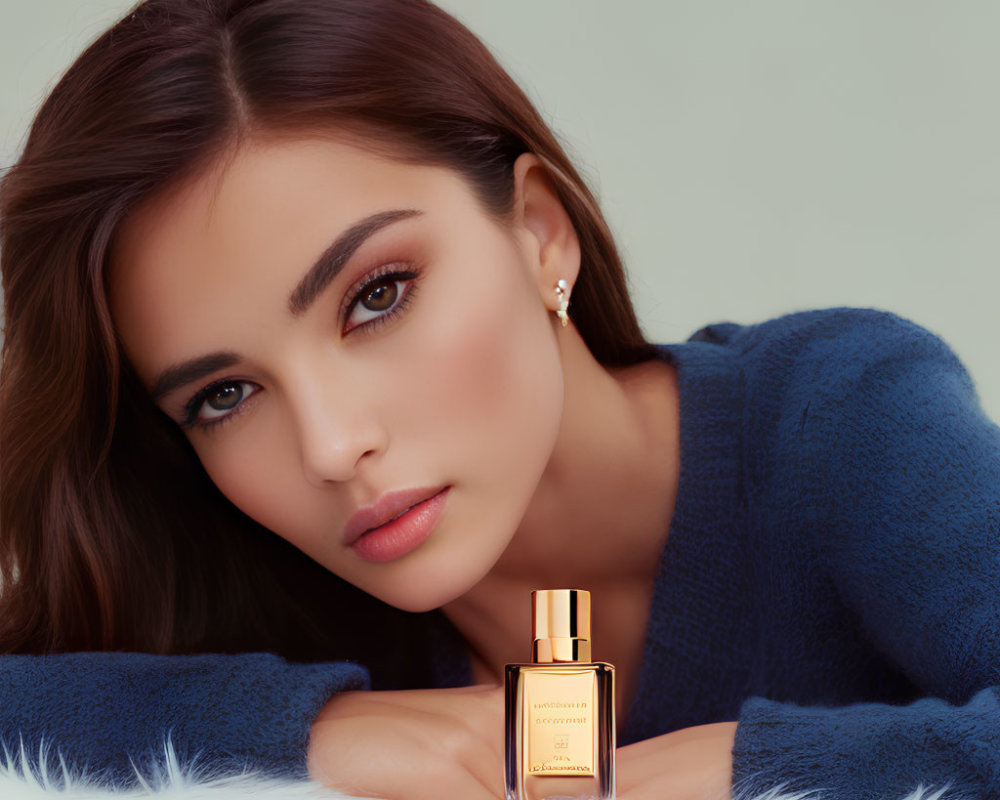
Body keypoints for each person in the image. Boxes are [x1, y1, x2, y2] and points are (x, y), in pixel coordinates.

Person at [1, 0, 997, 798]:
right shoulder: (252, 579)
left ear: (537, 231)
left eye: (374, 296)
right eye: (224, 393)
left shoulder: (839, 413)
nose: (332, 445)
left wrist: (741, 768)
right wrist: (312, 727)